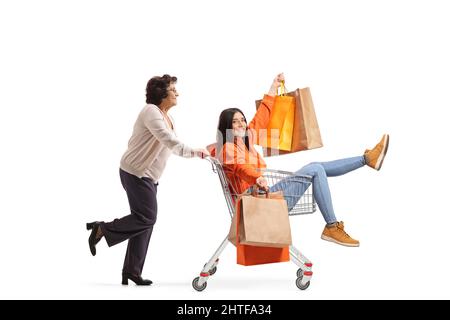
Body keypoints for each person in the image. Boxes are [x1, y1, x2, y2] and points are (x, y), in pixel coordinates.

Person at [213, 73, 389, 247]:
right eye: (236, 122)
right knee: (315, 169)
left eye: (242, 120)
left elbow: (262, 115)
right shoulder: (228, 148)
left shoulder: (245, 139)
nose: (242, 124)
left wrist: (274, 87)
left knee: (315, 167)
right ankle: (332, 226)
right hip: (256, 204)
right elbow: (240, 167)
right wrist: (256, 177)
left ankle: (367, 159)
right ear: (227, 126)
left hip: (262, 194)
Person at [86, 74, 209, 285]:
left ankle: (132, 272)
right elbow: (170, 141)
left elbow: (166, 145)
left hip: (149, 177)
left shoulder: (165, 115)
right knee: (147, 218)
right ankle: (102, 229)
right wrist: (196, 152)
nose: (177, 93)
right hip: (135, 173)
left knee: (144, 223)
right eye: (173, 90)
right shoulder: (151, 112)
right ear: (161, 93)